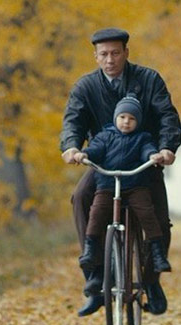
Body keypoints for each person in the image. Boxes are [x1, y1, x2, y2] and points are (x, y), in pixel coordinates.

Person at [61, 27, 181, 317]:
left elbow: (167, 116)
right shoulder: (85, 87)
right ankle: (95, 277)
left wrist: (166, 148)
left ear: (126, 53)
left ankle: (152, 281)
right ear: (96, 56)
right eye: (103, 54)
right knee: (80, 197)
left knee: (159, 218)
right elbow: (73, 121)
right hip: (105, 164)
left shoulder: (149, 79)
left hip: (144, 160)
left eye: (115, 53)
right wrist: (71, 147)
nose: (110, 59)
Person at [70, 94, 172, 275]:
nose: (126, 122)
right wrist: (84, 154)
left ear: (138, 122)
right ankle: (91, 249)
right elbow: (95, 150)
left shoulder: (143, 138)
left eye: (132, 119)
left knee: (146, 213)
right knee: (96, 212)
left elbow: (147, 150)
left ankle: (157, 253)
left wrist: (152, 156)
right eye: (122, 117)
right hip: (107, 185)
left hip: (135, 185)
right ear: (115, 118)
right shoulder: (104, 136)